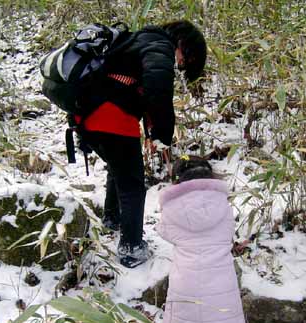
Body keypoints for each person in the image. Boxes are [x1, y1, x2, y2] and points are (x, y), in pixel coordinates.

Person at [73, 20, 207, 268]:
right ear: (182, 44)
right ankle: (131, 249)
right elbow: (158, 91)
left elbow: (138, 91)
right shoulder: (160, 45)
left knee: (119, 168)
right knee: (133, 185)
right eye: (185, 60)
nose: (180, 65)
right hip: (110, 118)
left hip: (89, 117)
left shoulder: (140, 41)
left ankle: (112, 220)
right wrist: (164, 135)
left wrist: (150, 131)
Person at [156, 156, 258, 323]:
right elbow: (228, 234)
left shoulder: (171, 209)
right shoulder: (223, 205)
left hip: (186, 278)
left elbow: (164, 232)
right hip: (220, 277)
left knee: (185, 321)